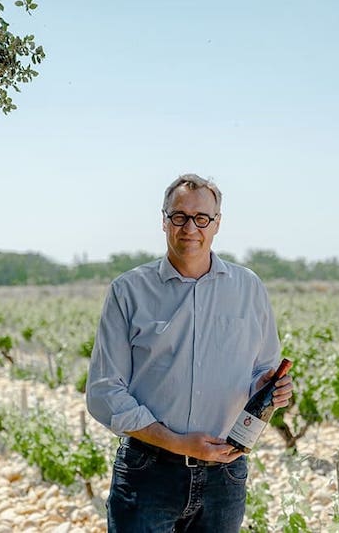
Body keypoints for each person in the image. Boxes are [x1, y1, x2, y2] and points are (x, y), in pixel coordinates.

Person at [86, 174, 294, 532]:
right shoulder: (129, 290)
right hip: (148, 473)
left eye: (202, 218)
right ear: (164, 219)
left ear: (217, 224)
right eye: (179, 216)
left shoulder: (249, 288)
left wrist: (270, 388)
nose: (190, 227)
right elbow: (105, 392)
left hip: (225, 478)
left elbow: (264, 370)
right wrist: (177, 442)